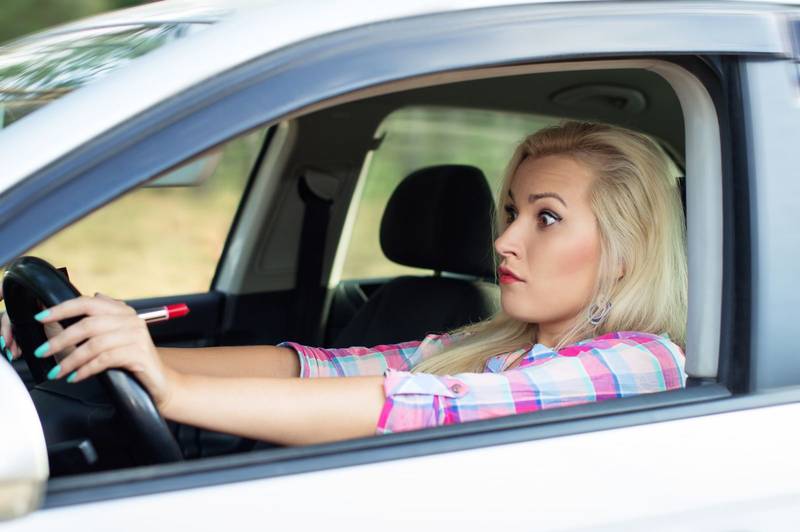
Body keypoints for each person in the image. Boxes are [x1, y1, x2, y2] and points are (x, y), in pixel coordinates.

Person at [0, 121, 688, 446]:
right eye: (511, 212)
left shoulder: (639, 364)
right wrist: (121, 347)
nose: (505, 239)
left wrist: (172, 389)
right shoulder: (494, 343)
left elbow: (420, 405)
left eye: (547, 218)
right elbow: (320, 368)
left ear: (624, 253)